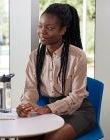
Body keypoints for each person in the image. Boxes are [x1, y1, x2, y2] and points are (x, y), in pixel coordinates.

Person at [16, 3, 95, 140]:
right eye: (40, 26)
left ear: (63, 30)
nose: (42, 31)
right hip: (51, 111)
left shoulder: (77, 56)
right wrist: (25, 106)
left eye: (49, 28)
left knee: (52, 138)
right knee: (26, 136)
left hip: (79, 111)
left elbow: (77, 96)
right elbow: (30, 89)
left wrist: (47, 109)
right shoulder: (35, 56)